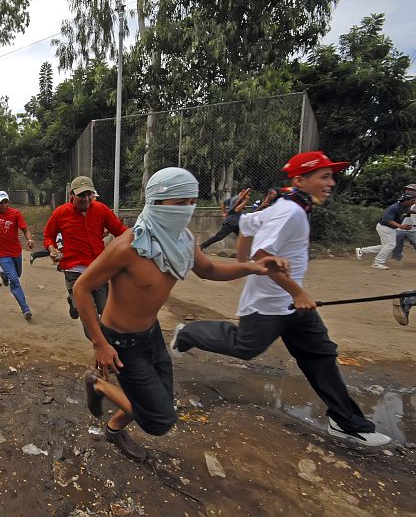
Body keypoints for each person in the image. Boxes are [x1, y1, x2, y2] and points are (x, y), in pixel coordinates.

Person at [172, 151, 391, 447]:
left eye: (331, 176)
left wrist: (242, 260)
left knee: (321, 357)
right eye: (324, 176)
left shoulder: (287, 206)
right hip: (270, 303)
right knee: (244, 347)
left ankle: (346, 421)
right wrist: (296, 291)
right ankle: (188, 333)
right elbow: (262, 256)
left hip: (293, 306)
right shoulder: (289, 212)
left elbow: (246, 225)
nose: (331, 182)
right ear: (301, 180)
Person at [74, 167, 288, 461]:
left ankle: (113, 428)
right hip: (121, 342)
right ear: (157, 203)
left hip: (151, 334)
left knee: (161, 401)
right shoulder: (128, 247)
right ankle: (97, 384)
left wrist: (254, 267)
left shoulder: (183, 240)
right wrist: (100, 344)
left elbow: (209, 269)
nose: (188, 209)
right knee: (159, 418)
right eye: (180, 203)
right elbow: (82, 288)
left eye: (192, 201)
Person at [43, 175, 126, 320]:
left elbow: (120, 230)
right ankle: (96, 337)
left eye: (89, 194)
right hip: (73, 271)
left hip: (97, 269)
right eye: (81, 195)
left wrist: (138, 239)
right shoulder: (61, 213)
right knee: (90, 315)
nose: (86, 199)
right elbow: (49, 235)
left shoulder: (101, 210)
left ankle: (74, 303)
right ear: (72, 194)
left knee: (104, 309)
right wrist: (52, 249)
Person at [0, 191, 35, 320]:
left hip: (16, 251)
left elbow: (25, 229)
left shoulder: (15, 214)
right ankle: (25, 309)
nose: (3, 206)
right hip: (2, 254)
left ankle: (4, 274)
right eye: (0, 203)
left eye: (5, 202)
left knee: (17, 274)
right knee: (14, 280)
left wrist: (29, 239)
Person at [355, 194, 416, 269]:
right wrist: (401, 226)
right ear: (406, 201)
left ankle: (362, 251)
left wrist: (414, 212)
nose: (414, 202)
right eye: (412, 200)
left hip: (391, 228)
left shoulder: (406, 206)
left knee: (386, 246)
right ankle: (377, 263)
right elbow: (387, 220)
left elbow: (408, 211)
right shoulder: (394, 208)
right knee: (390, 245)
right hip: (385, 227)